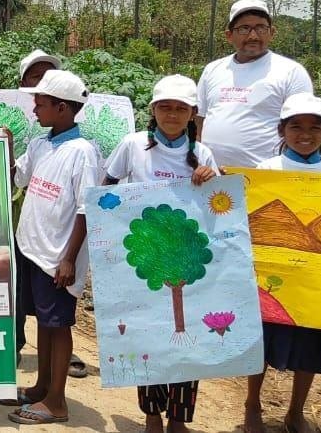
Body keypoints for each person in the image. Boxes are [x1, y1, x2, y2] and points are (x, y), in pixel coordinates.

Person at [102, 75, 220, 433]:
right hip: (143, 256)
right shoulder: (132, 145)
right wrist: (111, 235)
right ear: (153, 110)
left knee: (186, 339)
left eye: (180, 108)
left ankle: (178, 419)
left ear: (192, 114)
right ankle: (152, 415)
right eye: (165, 107)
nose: (172, 114)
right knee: (147, 335)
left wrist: (212, 178)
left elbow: (216, 204)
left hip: (186, 260)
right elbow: (106, 187)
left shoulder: (203, 154)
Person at [244, 93, 321, 433]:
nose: (305, 134)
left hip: (317, 278)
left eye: (314, 127)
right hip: (273, 274)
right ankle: (252, 405)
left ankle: (295, 411)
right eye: (296, 126)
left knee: (312, 344)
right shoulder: (265, 171)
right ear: (282, 130)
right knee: (261, 341)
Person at [6, 70, 101, 425]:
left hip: (57, 256)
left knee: (58, 325)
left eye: (40, 103)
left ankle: (57, 401)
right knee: (43, 324)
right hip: (32, 249)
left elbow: (85, 207)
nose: (34, 109)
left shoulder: (84, 153)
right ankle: (41, 387)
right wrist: (9, 146)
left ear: (62, 108)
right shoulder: (40, 143)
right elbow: (19, 177)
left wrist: (69, 258)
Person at [196, 0, 313, 169]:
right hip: (212, 177)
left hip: (266, 180)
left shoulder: (291, 72)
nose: (253, 36)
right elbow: (199, 121)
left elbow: (304, 127)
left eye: (261, 28)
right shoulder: (212, 70)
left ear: (272, 32)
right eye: (244, 28)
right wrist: (198, 162)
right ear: (229, 35)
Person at [12, 49, 62, 361]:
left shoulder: (70, 138)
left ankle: (56, 348)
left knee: (52, 281)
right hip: (20, 206)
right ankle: (16, 341)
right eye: (35, 75)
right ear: (23, 83)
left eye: (48, 74)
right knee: (17, 275)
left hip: (55, 215)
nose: (42, 81)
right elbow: (16, 172)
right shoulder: (17, 119)